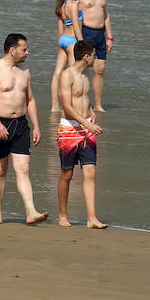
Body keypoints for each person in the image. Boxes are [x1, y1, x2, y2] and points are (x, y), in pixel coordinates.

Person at [0, 33, 49, 225]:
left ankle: (31, 211)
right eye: (24, 49)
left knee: (23, 169)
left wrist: (36, 125)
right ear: (12, 50)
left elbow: (30, 100)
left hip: (20, 124)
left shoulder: (25, 71)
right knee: (0, 170)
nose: (27, 53)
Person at [57, 40, 106, 228]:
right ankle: (63, 215)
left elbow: (83, 99)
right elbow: (67, 107)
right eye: (93, 55)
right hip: (69, 129)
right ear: (86, 57)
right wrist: (86, 122)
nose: (95, 58)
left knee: (90, 172)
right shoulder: (67, 75)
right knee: (67, 174)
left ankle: (91, 218)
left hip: (86, 130)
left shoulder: (86, 77)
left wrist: (91, 112)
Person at [78, 0, 114, 112]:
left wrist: (109, 37)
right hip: (86, 32)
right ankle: (84, 103)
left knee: (100, 70)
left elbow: (105, 14)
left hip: (100, 34)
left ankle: (98, 105)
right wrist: (78, 38)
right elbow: (73, 15)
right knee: (83, 69)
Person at [50, 0, 82, 112]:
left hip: (63, 39)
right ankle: (70, 105)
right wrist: (82, 43)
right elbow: (76, 26)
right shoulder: (72, 5)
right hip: (72, 40)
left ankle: (54, 106)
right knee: (73, 73)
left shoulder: (61, 6)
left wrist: (60, 43)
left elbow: (60, 29)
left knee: (57, 73)